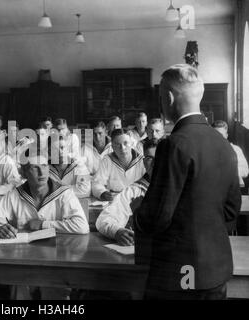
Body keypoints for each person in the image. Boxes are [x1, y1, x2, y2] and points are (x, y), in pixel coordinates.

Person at [135, 64, 241, 300]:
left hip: (181, 273)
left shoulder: (173, 144)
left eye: (162, 97)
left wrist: (138, 213)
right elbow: (232, 210)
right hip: (216, 269)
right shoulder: (224, 144)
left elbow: (158, 216)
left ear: (169, 97)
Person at [0, 152, 89, 299]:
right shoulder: (15, 195)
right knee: (18, 285)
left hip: (57, 260)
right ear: (24, 172)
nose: (42, 172)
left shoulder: (64, 193)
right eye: (34, 168)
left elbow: (82, 226)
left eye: (45, 166)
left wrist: (43, 224)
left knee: (54, 290)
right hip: (24, 260)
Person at [96, 139, 157, 245]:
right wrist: (117, 232)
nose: (154, 163)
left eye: (159, 157)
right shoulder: (133, 192)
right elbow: (103, 220)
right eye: (149, 158)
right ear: (143, 162)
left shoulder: (180, 188)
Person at [92, 128, 145, 201]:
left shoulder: (142, 160)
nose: (122, 148)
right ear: (112, 146)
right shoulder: (107, 160)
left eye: (126, 143)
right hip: (115, 201)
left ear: (132, 144)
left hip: (137, 200)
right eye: (117, 144)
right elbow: (96, 183)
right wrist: (103, 193)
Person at [212, 120, 249, 187]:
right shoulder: (207, 150)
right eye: (215, 136)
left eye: (221, 136)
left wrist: (228, 171)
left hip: (230, 185)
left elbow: (245, 170)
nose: (218, 139)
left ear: (226, 136)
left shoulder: (235, 149)